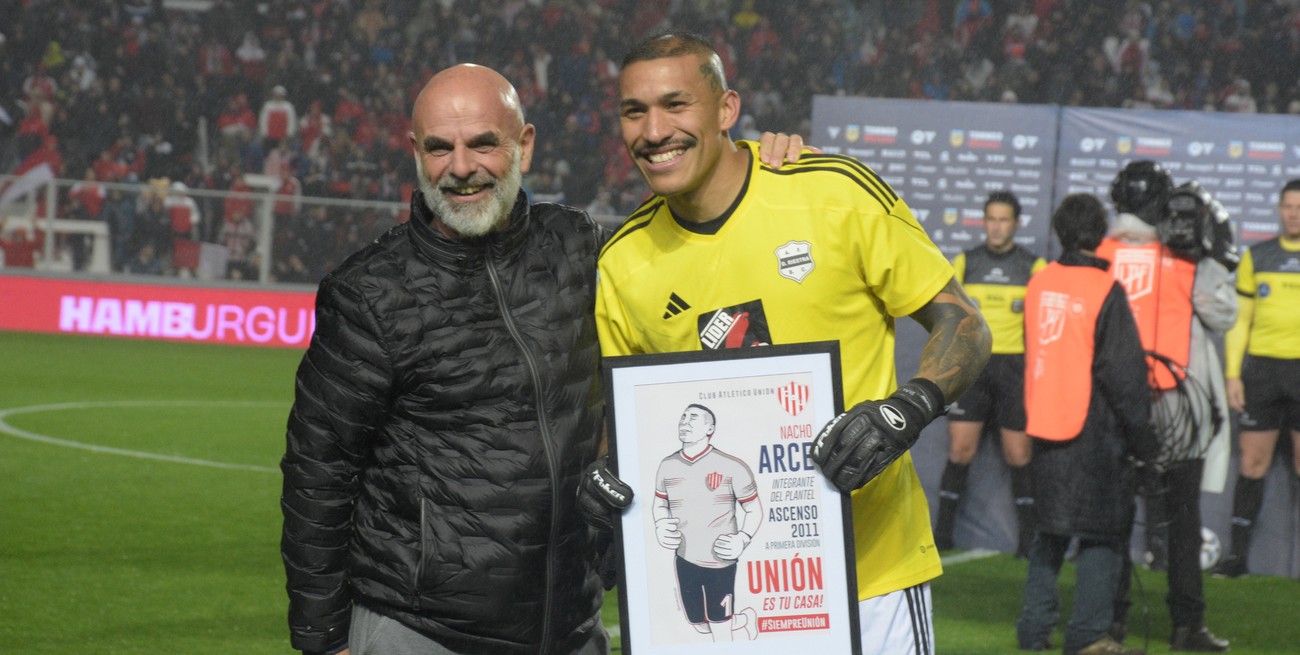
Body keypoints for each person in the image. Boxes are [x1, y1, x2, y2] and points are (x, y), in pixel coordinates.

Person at [280, 62, 807, 655]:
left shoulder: (579, 247)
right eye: (440, 148)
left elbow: (687, 302)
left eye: (484, 143)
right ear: (416, 152)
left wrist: (757, 174)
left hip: (570, 625)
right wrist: (324, 637)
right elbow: (317, 471)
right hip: (423, 631)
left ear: (524, 146)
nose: (461, 167)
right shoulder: (369, 292)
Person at [594, 32, 991, 654]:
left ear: (726, 109)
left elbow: (963, 323)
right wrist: (604, 480)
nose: (653, 130)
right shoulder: (623, 263)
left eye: (676, 104)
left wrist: (905, 410)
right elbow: (623, 428)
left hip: (869, 581)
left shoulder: (832, 193)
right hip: (727, 597)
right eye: (634, 111)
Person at [1096, 161, 1233, 652]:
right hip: (1179, 405)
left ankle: (1108, 622)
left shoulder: (1100, 254)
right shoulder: (1185, 255)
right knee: (1183, 518)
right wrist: (1215, 253)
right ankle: (1186, 626)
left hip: (1114, 405)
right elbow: (1223, 314)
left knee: (1112, 517)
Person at [1016, 193, 1158, 655]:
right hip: (1094, 432)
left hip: (1045, 424)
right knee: (1103, 535)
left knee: (1050, 532)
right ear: (1099, 235)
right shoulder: (1105, 289)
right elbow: (1125, 379)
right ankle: (1088, 637)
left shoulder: (1039, 283)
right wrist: (1146, 442)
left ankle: (1033, 631)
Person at [935, 190, 1045, 555]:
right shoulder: (965, 262)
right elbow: (948, 316)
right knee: (960, 450)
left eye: (1003, 220)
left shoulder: (1034, 266)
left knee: (1019, 455)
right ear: (984, 222)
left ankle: (1029, 542)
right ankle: (942, 536)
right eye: (991, 219)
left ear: (1016, 224)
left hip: (1015, 368)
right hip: (974, 366)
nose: (996, 227)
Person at [1211, 178, 1300, 578]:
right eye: (1288, 207)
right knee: (1252, 463)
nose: (1294, 214)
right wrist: (1233, 375)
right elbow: (1240, 321)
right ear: (1279, 210)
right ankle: (1237, 558)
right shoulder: (1257, 256)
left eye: (1299, 207)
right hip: (1262, 373)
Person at [652, 403, 761, 641]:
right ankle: (745, 619)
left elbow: (754, 509)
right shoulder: (667, 465)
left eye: (693, 417)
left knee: (720, 627)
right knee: (700, 625)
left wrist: (742, 539)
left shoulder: (732, 466)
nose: (685, 421)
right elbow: (660, 503)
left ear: (709, 429)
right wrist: (660, 523)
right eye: (683, 417)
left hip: (720, 562)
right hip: (684, 558)